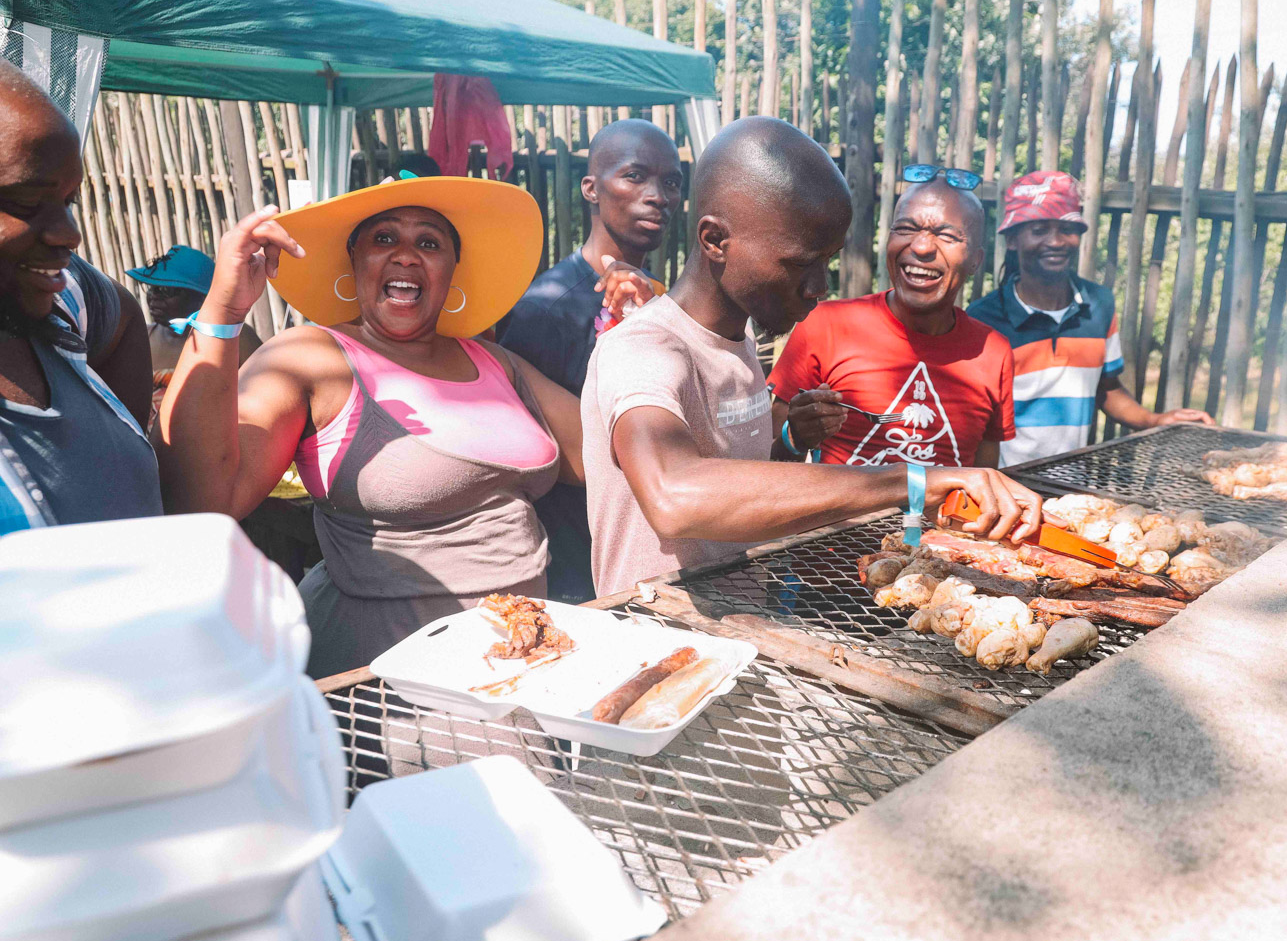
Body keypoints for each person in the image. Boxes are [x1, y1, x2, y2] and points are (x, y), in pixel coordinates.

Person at [580, 117, 1052, 598]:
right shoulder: (644, 349)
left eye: (826, 261)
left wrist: (788, 439)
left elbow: (749, 484)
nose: (818, 288)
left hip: (739, 634)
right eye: (800, 264)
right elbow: (673, 496)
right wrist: (910, 482)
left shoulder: (738, 341)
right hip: (655, 650)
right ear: (715, 241)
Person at [155, 175, 584, 678]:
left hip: (521, 660)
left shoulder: (493, 361)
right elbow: (203, 502)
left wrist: (630, 331)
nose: (405, 255)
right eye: (384, 239)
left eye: (429, 241)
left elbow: (596, 459)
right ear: (353, 261)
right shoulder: (310, 355)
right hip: (386, 686)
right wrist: (222, 311)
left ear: (451, 270)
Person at [496, 119, 676, 602]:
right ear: (591, 189)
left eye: (671, 182)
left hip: (650, 551)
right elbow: (528, 449)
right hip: (582, 571)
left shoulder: (658, 296)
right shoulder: (547, 308)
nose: (657, 194)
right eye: (635, 176)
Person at [0, 61, 158, 535]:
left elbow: (124, 314)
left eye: (69, 201)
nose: (71, 236)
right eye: (28, 203)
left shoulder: (56, 301)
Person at [769, 169, 1015, 468]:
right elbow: (768, 463)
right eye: (906, 229)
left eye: (947, 235)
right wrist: (796, 436)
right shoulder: (825, 326)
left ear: (976, 260)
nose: (922, 247)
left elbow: (984, 477)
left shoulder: (993, 352)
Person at [967, 171, 1213, 466]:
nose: (1056, 241)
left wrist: (1155, 420)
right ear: (1012, 240)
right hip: (1006, 485)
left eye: (1067, 228)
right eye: (1039, 229)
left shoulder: (1099, 305)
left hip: (1071, 484)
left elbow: (1105, 388)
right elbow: (971, 418)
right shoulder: (984, 320)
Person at [127, 245, 261, 425]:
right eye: (151, 288)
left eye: (167, 291)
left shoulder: (234, 335)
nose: (154, 297)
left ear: (201, 297)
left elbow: (265, 390)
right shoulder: (143, 337)